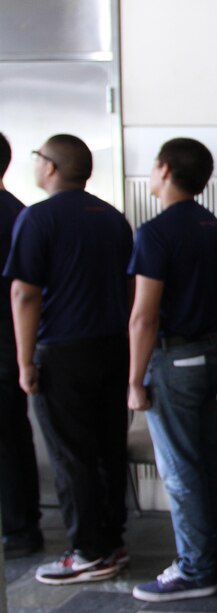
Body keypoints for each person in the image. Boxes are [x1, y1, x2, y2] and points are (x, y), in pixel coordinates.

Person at [4, 134, 132, 584]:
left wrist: (24, 362)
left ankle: (85, 552)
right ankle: (112, 540)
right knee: (108, 449)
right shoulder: (113, 219)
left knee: (71, 454)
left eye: (38, 158)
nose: (35, 165)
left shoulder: (38, 219)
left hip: (63, 351)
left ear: (52, 168)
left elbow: (24, 293)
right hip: (115, 349)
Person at [128, 138, 217, 602]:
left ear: (165, 170)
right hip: (211, 350)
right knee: (203, 462)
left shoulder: (155, 233)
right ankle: (206, 558)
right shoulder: (215, 227)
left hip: (174, 358)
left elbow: (144, 316)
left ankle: (196, 568)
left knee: (180, 470)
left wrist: (133, 381)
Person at [0, 132, 44, 559]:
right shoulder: (19, 213)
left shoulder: (21, 217)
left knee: (8, 440)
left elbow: (25, 292)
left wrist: (23, 359)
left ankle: (20, 530)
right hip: (13, 344)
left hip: (9, 345)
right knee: (13, 438)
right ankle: (21, 525)